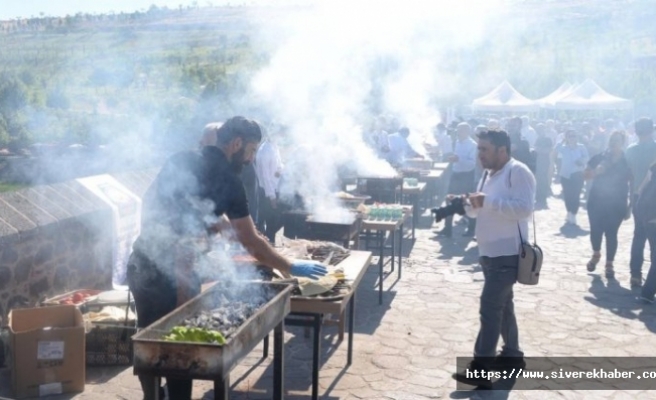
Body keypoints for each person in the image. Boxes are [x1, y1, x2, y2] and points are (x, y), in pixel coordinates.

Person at [126, 116, 327, 400]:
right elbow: (252, 243)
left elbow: (157, 205)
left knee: (148, 338)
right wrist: (290, 265)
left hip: (141, 263)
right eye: (252, 151)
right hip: (173, 274)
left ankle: (151, 396)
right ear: (237, 144)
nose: (251, 159)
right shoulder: (231, 182)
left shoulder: (180, 159)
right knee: (181, 349)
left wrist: (213, 224)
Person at [452, 130, 536, 388]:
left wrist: (487, 201)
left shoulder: (518, 171)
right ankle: (512, 356)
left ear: (502, 150)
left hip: (508, 252)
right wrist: (466, 203)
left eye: (484, 149)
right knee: (503, 306)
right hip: (488, 253)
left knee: (489, 308)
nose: (479, 154)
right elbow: (477, 211)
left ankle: (480, 369)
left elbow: (524, 208)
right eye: (478, 149)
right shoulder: (488, 174)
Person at [584, 131, 632, 279]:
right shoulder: (600, 157)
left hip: (617, 203)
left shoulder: (627, 160)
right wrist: (595, 172)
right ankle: (596, 254)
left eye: (617, 140)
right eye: (611, 140)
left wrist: (630, 206)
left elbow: (633, 181)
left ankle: (609, 264)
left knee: (611, 234)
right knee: (595, 231)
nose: (613, 143)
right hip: (597, 201)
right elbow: (585, 175)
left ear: (623, 143)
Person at [627, 118, 656, 288]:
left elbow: (628, 175)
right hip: (653, 198)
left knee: (638, 236)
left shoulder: (630, 150)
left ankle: (635, 274)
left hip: (638, 197)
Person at [438, 122, 478, 238]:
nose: (458, 132)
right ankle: (447, 228)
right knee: (449, 200)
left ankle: (471, 229)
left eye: (460, 130)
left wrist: (458, 159)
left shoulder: (473, 145)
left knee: (467, 203)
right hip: (455, 175)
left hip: (467, 176)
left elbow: (472, 164)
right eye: (457, 130)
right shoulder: (456, 142)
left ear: (467, 132)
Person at [255, 128, 285, 243]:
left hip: (274, 189)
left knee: (273, 224)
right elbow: (265, 177)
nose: (281, 137)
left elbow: (280, 164)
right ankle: (266, 247)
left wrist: (280, 169)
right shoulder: (265, 151)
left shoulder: (274, 147)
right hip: (266, 193)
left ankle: (269, 244)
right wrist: (272, 197)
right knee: (270, 225)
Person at [555, 129, 589, 226]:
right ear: (567, 138)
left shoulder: (581, 147)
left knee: (576, 195)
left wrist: (581, 160)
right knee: (568, 195)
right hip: (565, 174)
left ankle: (573, 213)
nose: (572, 138)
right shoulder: (564, 148)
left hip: (578, 173)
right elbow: (556, 148)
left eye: (574, 136)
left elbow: (587, 157)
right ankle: (569, 211)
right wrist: (562, 140)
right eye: (570, 136)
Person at [637, 162, 656, 302]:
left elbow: (640, 190)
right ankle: (647, 292)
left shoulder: (653, 167)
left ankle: (647, 292)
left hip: (649, 218)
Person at [534, 123, 554, 209]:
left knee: (543, 178)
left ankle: (543, 197)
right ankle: (538, 197)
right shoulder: (538, 139)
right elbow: (536, 148)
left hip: (545, 160)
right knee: (538, 178)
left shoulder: (548, 139)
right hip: (538, 160)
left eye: (541, 129)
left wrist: (541, 150)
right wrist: (541, 150)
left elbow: (548, 149)